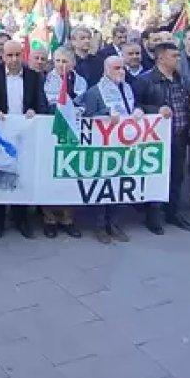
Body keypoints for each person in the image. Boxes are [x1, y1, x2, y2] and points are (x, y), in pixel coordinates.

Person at [0, 40, 47, 239]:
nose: (13, 59)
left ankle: (22, 220)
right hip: (0, 135)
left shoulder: (33, 76)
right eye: (9, 56)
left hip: (24, 134)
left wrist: (33, 111)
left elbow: (41, 105)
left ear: (23, 55)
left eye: (17, 55)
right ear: (2, 56)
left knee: (22, 176)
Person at [132, 42, 190, 234]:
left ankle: (172, 212)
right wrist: (155, 110)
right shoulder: (145, 80)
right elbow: (134, 106)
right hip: (157, 137)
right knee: (156, 176)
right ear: (161, 58)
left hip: (180, 134)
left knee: (177, 176)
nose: (178, 59)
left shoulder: (181, 79)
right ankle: (153, 216)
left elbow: (186, 102)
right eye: (174, 56)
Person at [79, 55, 136, 244]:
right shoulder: (95, 91)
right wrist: (105, 114)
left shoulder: (127, 89)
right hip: (102, 147)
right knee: (103, 186)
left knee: (119, 185)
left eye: (122, 68)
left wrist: (138, 112)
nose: (121, 72)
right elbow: (88, 117)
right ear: (105, 71)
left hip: (123, 144)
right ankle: (100, 226)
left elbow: (131, 109)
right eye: (116, 68)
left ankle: (115, 224)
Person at [41, 47, 86, 238]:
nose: (61, 65)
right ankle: (49, 218)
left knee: (70, 173)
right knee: (50, 174)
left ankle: (68, 218)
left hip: (73, 132)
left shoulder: (80, 80)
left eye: (65, 61)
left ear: (73, 63)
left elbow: (83, 103)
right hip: (51, 131)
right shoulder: (46, 80)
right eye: (58, 61)